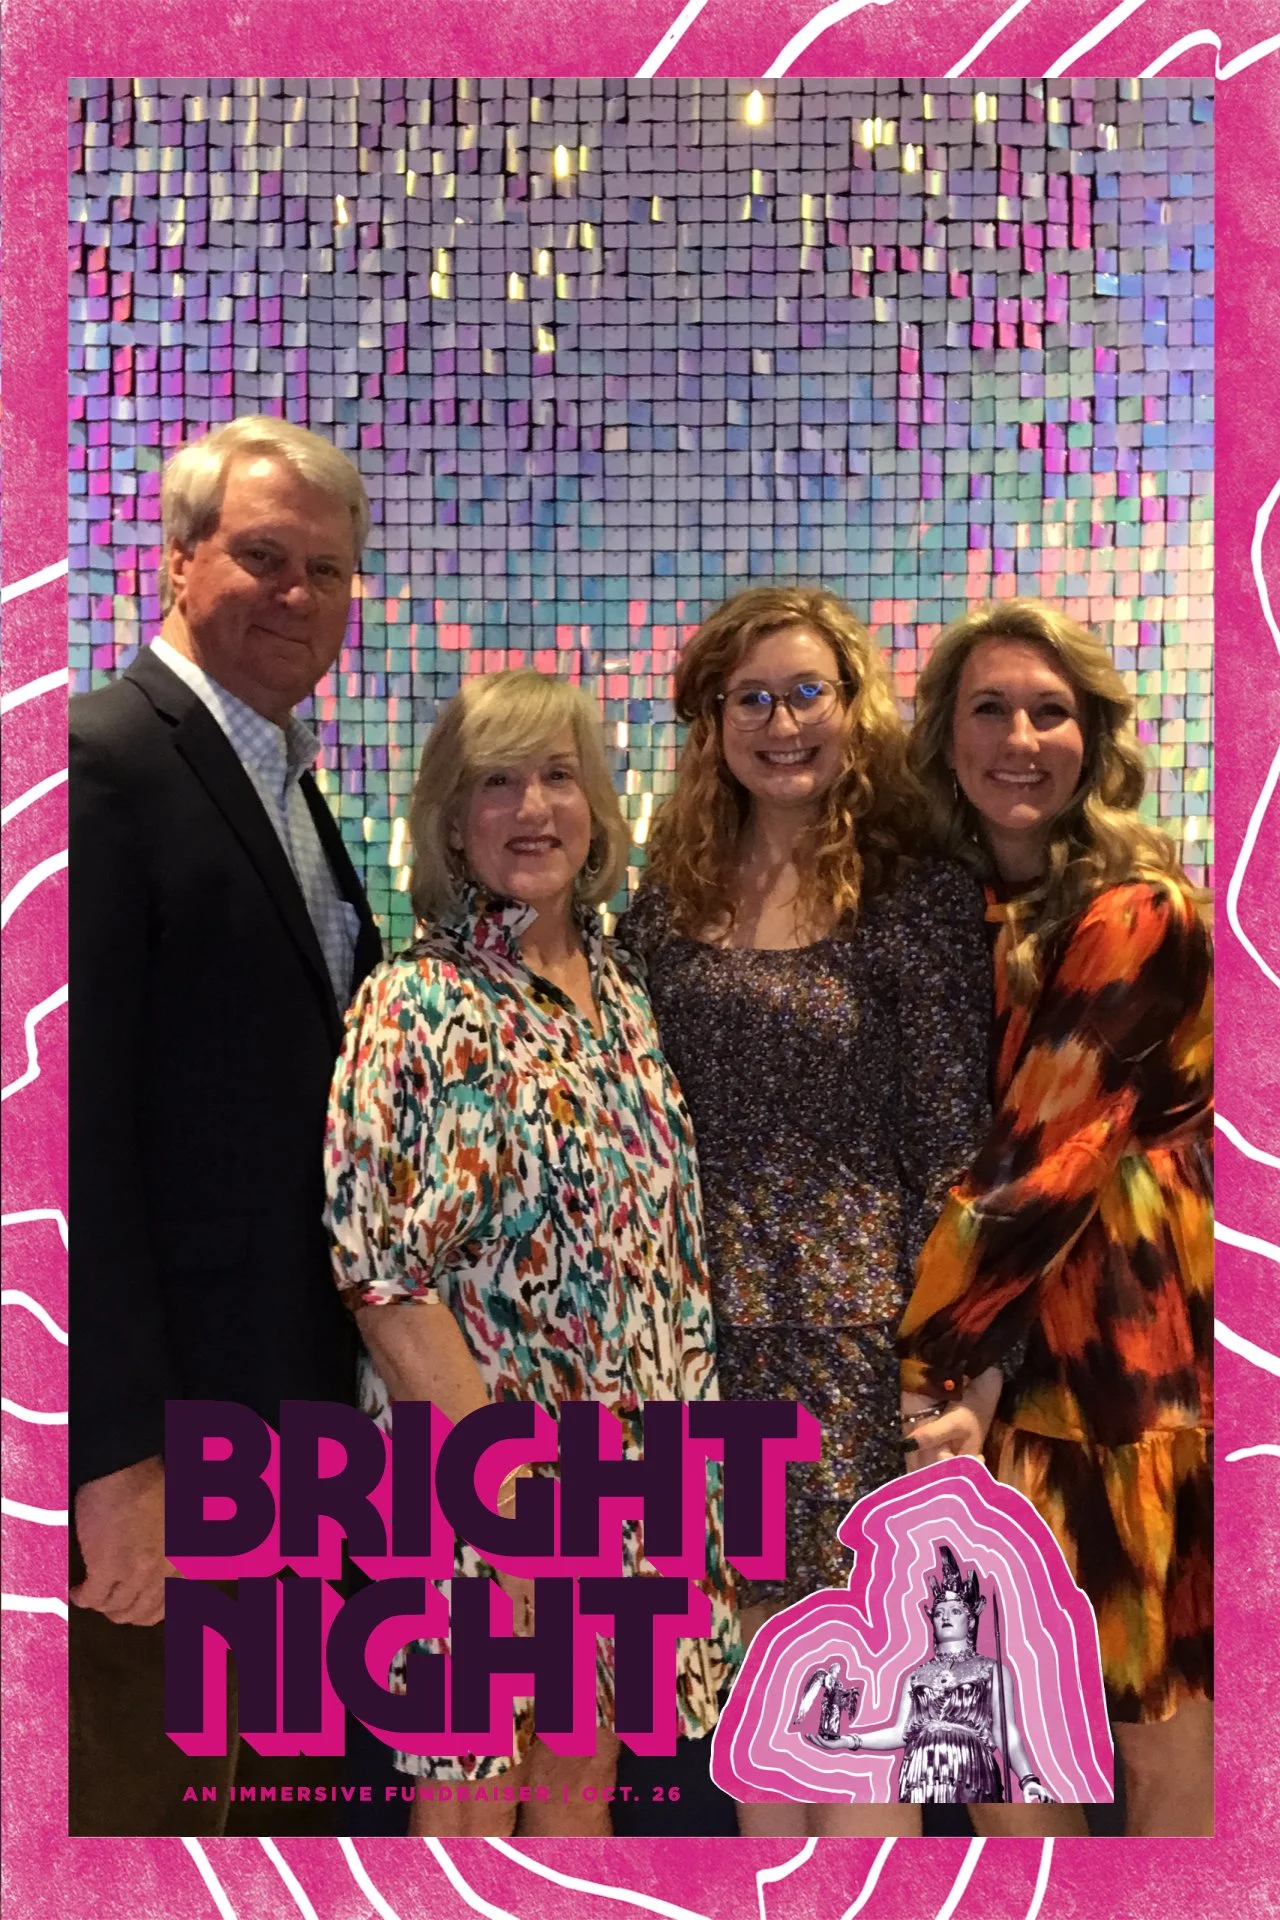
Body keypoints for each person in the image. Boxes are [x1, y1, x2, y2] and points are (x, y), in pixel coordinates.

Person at [324, 668, 740, 1838]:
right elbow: (383, 1275)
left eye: (558, 776)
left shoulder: (622, 989)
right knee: (471, 1790)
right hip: (487, 1474)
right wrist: (503, 1505)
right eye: (495, 782)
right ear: (452, 822)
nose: (531, 808)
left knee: (578, 1787)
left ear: (597, 809)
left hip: (633, 1465)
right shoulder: (415, 1000)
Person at [618, 584, 993, 1838]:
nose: (781, 725)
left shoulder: (914, 897)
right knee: (750, 1704)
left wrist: (953, 1371)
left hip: (855, 1347)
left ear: (851, 707)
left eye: (805, 694)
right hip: (695, 1345)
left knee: (861, 1706)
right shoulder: (665, 899)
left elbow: (953, 1153)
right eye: (751, 700)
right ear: (710, 723)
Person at [68, 415, 383, 1835]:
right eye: (262, 556)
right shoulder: (100, 762)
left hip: (292, 1438)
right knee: (158, 1832)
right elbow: (63, 1144)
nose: (296, 593)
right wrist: (108, 1456)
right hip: (170, 1457)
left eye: (328, 569)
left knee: (271, 1828)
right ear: (178, 559)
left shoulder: (287, 785)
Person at [897, 598, 1213, 1838]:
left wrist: (924, 1369)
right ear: (946, 736)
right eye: (989, 709)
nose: (1019, 739)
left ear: (1094, 737)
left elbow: (1037, 1168)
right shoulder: (950, 913)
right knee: (996, 1764)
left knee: (1158, 1750)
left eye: (1049, 712)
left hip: (1121, 1385)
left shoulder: (1138, 912)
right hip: (995, 1385)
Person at [803, 1544, 1056, 1807]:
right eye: (939, 1613)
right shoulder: (916, 1676)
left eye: (955, 1611)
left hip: (970, 1769)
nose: (945, 1617)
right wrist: (849, 1740)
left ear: (970, 1620)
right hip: (920, 1772)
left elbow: (1005, 1731)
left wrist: (1028, 1779)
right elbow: (900, 1733)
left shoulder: (992, 1670)